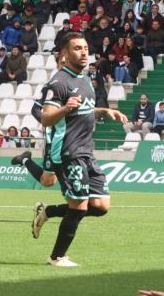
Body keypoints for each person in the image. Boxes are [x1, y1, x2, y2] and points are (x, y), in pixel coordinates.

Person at [31, 33, 129, 267]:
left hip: (87, 151)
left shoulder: (84, 80)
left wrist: (104, 111)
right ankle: (56, 257)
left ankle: (48, 212)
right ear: (65, 54)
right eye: (77, 48)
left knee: (100, 206)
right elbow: (45, 118)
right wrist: (64, 108)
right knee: (79, 205)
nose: (84, 52)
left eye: (85, 48)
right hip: (69, 151)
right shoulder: (59, 82)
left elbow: (83, 110)